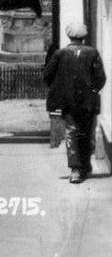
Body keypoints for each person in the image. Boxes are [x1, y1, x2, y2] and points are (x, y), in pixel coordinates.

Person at [44, 22, 106, 184]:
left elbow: (47, 75)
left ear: (69, 35)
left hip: (67, 101)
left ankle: (75, 170)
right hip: (88, 102)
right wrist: (92, 90)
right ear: (84, 36)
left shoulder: (60, 54)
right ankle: (84, 166)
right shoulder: (92, 53)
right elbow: (101, 78)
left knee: (71, 132)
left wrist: (60, 88)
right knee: (85, 132)